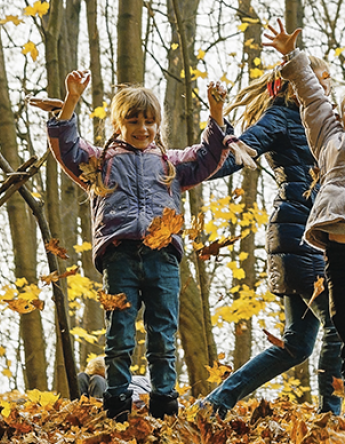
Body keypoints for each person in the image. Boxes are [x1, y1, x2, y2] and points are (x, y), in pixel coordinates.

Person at [28, 69, 256, 422]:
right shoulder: (101, 162)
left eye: (149, 122)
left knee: (162, 336)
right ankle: (116, 404)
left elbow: (209, 156)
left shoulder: (170, 163)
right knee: (119, 337)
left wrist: (216, 113)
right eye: (133, 121)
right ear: (119, 124)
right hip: (119, 256)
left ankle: (164, 404)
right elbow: (67, 148)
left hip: (162, 258)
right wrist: (72, 98)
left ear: (158, 125)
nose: (142, 129)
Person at [195, 51, 343, 418]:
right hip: (299, 235)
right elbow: (232, 157)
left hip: (309, 235)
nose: (324, 84)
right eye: (316, 78)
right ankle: (331, 415)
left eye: (325, 79)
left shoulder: (322, 123)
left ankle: (217, 402)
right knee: (338, 325)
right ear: (295, 83)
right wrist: (198, 163)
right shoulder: (281, 117)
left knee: (296, 345)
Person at [264, 17, 345, 387]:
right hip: (334, 243)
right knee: (339, 322)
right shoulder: (328, 134)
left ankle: (334, 412)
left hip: (324, 241)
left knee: (311, 336)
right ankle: (334, 410)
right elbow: (313, 97)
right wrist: (293, 57)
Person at [78, 356, 152, 408]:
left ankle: (95, 411)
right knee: (81, 376)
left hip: (118, 405)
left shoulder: (134, 383)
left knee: (97, 380)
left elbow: (137, 402)